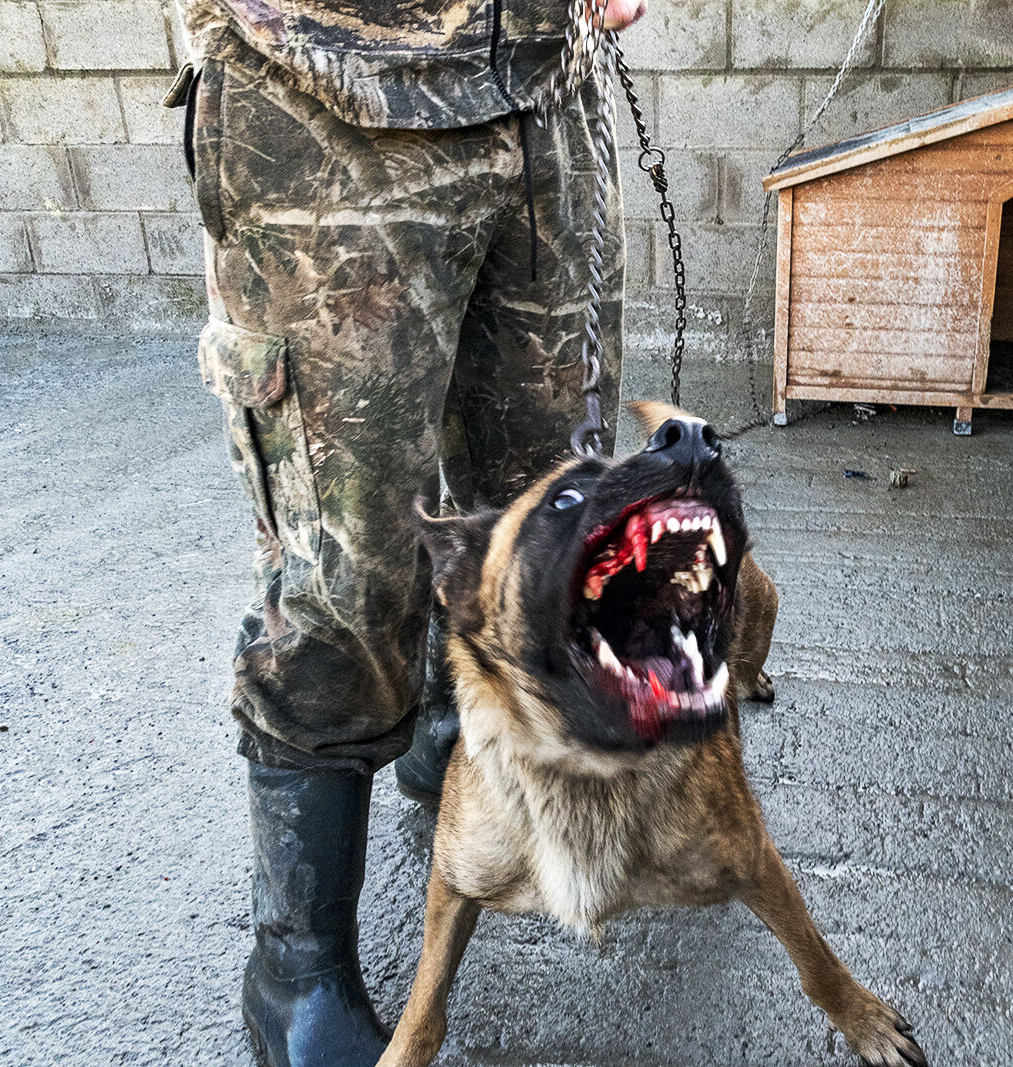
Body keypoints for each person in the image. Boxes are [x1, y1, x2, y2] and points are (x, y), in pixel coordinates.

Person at [168, 2, 647, 1063]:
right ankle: (295, 968)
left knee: (541, 516)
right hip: (322, 94)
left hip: (543, 91)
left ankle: (450, 739)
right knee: (344, 568)